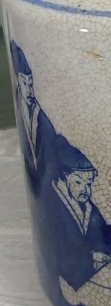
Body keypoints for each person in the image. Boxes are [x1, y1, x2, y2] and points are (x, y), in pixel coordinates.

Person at [39, 142, 111, 306]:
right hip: (70, 285)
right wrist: (93, 256)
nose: (85, 190)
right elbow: (58, 248)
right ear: (64, 176)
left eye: (88, 183)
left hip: (92, 282)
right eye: (78, 182)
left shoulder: (85, 204)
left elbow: (101, 234)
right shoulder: (51, 201)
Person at [10, 42, 65, 195]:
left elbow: (54, 149)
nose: (29, 90)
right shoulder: (20, 102)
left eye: (31, 83)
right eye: (24, 83)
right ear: (18, 81)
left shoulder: (41, 117)